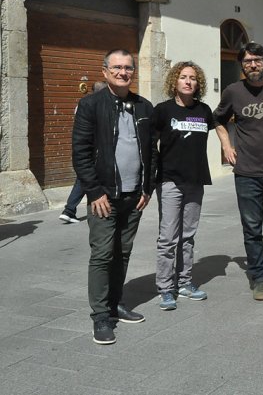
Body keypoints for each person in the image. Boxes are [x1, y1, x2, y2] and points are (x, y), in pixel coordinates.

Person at [72, 49, 153, 345]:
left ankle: (115, 304)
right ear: (105, 71)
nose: (123, 72)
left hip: (134, 196)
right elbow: (80, 153)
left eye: (128, 68)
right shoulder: (91, 105)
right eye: (117, 67)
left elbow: (151, 152)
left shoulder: (144, 106)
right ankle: (100, 317)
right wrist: (94, 192)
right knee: (103, 254)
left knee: (123, 253)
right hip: (104, 196)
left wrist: (147, 188)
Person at [213, 42, 263, 301]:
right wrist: (226, 145)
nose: (253, 65)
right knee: (252, 228)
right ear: (241, 65)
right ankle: (259, 278)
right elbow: (217, 119)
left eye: (257, 60)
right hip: (247, 172)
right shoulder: (233, 91)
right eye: (247, 61)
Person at [153, 62, 214, 310]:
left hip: (195, 181)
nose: (188, 81)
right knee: (168, 238)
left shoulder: (204, 110)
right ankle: (166, 288)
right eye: (183, 77)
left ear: (198, 83)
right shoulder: (162, 111)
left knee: (188, 237)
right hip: (170, 181)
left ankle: (185, 283)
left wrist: (229, 146)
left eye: (193, 78)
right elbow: (150, 145)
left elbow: (219, 127)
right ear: (174, 82)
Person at [60, 81, 108, 223]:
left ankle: (70, 209)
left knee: (83, 178)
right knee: (84, 178)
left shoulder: (82, 104)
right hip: (93, 150)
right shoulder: (93, 105)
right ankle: (69, 209)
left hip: (85, 148)